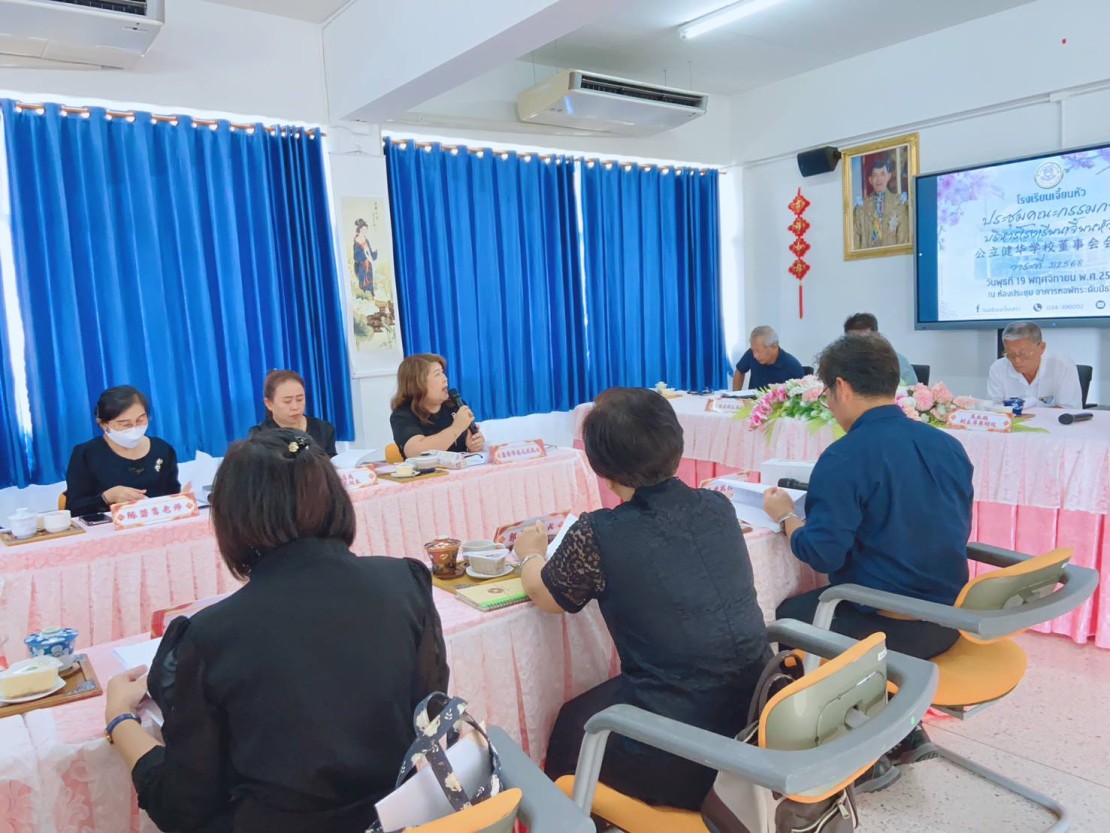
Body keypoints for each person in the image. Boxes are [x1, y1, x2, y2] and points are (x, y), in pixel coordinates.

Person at [103, 429, 448, 833]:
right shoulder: (404, 581)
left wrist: (119, 719)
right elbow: (430, 714)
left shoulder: (213, 633)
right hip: (406, 819)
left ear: (233, 519)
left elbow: (183, 805)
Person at [518, 387, 771, 810]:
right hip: (758, 720)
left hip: (685, 752)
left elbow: (545, 595)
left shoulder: (599, 532)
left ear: (602, 465)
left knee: (569, 727)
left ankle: (575, 816)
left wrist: (529, 552)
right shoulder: (716, 506)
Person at [762, 334, 973, 790]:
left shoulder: (846, 455)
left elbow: (821, 553)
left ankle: (848, 744)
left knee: (788, 618)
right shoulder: (947, 446)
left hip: (888, 628)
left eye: (826, 393)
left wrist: (785, 518)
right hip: (950, 617)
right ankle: (902, 730)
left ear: (840, 387)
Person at [65, 386, 181, 516]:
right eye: (125, 424)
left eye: (140, 420)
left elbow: (173, 494)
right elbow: (74, 508)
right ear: (104, 424)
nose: (135, 428)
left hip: (157, 522)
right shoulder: (86, 454)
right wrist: (106, 498)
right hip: (109, 526)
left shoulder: (162, 449)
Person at [389, 353, 485, 458]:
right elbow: (416, 452)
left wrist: (474, 445)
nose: (445, 379)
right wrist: (456, 428)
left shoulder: (455, 405)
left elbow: (468, 447)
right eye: (437, 374)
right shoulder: (402, 415)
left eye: (443, 373)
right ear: (417, 383)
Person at [987, 321, 1082, 409]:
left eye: (1023, 354)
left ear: (1042, 347)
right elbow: (994, 408)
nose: (1017, 360)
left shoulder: (1062, 366)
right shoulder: (998, 368)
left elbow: (1068, 410)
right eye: (1010, 354)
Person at [249, 369, 337, 456]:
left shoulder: (324, 429)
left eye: (299, 399)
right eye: (287, 401)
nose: (295, 407)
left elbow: (331, 462)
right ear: (269, 404)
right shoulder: (259, 436)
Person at [843, 312, 918, 386]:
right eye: (853, 339)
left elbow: (911, 389)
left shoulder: (896, 360)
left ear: (877, 337)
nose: (859, 344)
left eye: (865, 338)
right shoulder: (840, 360)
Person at [853, 155, 909, 250]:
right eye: (875, 175)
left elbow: (903, 238)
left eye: (882, 174)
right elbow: (855, 240)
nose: (879, 179)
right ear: (870, 180)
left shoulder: (899, 203)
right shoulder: (861, 207)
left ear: (889, 176)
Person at [732, 325, 805, 390]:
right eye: (753, 350)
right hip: (752, 400)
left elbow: (799, 396)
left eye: (759, 351)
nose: (755, 355)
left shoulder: (792, 367)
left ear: (774, 346)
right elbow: (740, 370)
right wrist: (735, 395)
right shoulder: (751, 354)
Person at [353, 218, 378, 298]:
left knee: (370, 283)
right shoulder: (356, 242)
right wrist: (364, 254)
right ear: (359, 229)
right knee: (363, 284)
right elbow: (356, 257)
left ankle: (371, 296)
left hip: (369, 266)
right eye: (363, 230)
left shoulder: (366, 240)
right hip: (361, 267)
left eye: (366, 230)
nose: (365, 232)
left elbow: (371, 254)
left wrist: (374, 251)